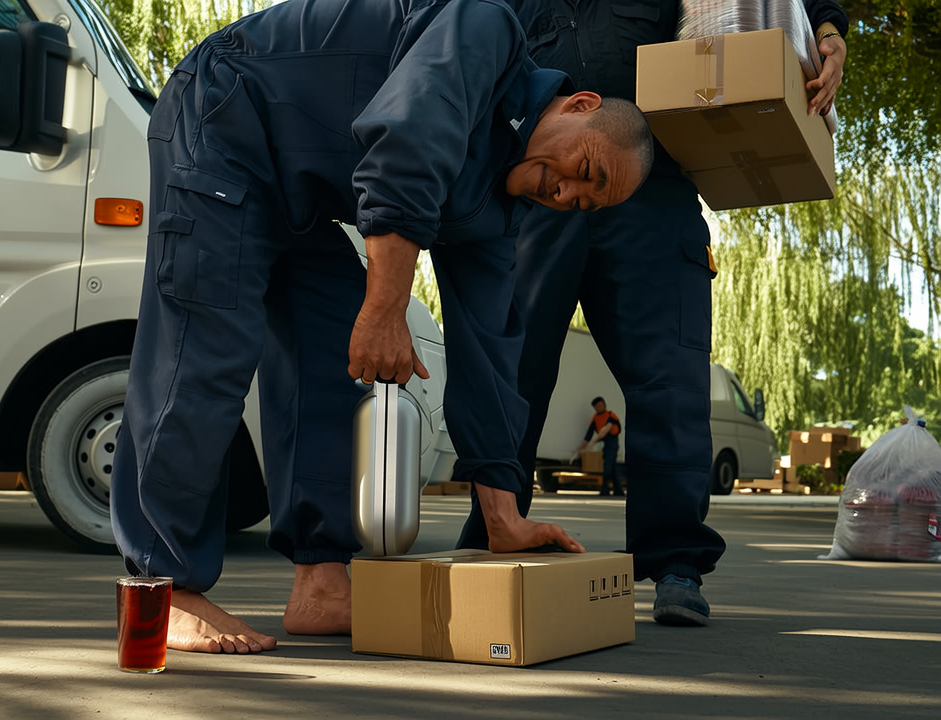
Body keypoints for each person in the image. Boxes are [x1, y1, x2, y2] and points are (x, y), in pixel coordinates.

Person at [110, 0, 654, 655]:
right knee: (206, 347)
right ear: (578, 105)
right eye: (584, 173)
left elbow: (489, 353)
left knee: (339, 362)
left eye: (582, 203)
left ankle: (321, 581)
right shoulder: (484, 31)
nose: (565, 195)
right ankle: (163, 590)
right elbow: (407, 142)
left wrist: (501, 513)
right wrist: (386, 306)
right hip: (226, 118)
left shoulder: (492, 211)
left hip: (300, 195)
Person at [457, 0, 849, 627]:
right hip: (539, 179)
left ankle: (675, 563)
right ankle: (491, 533)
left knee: (668, 373)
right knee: (511, 367)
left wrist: (828, 31)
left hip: (652, 179)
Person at [577, 396, 623, 497]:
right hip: (604, 442)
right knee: (612, 468)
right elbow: (588, 434)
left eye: (601, 405)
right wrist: (581, 448)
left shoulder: (611, 415)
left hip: (612, 442)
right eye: (598, 406)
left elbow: (606, 429)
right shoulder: (596, 418)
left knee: (608, 467)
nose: (600, 407)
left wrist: (594, 441)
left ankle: (605, 490)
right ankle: (618, 491)